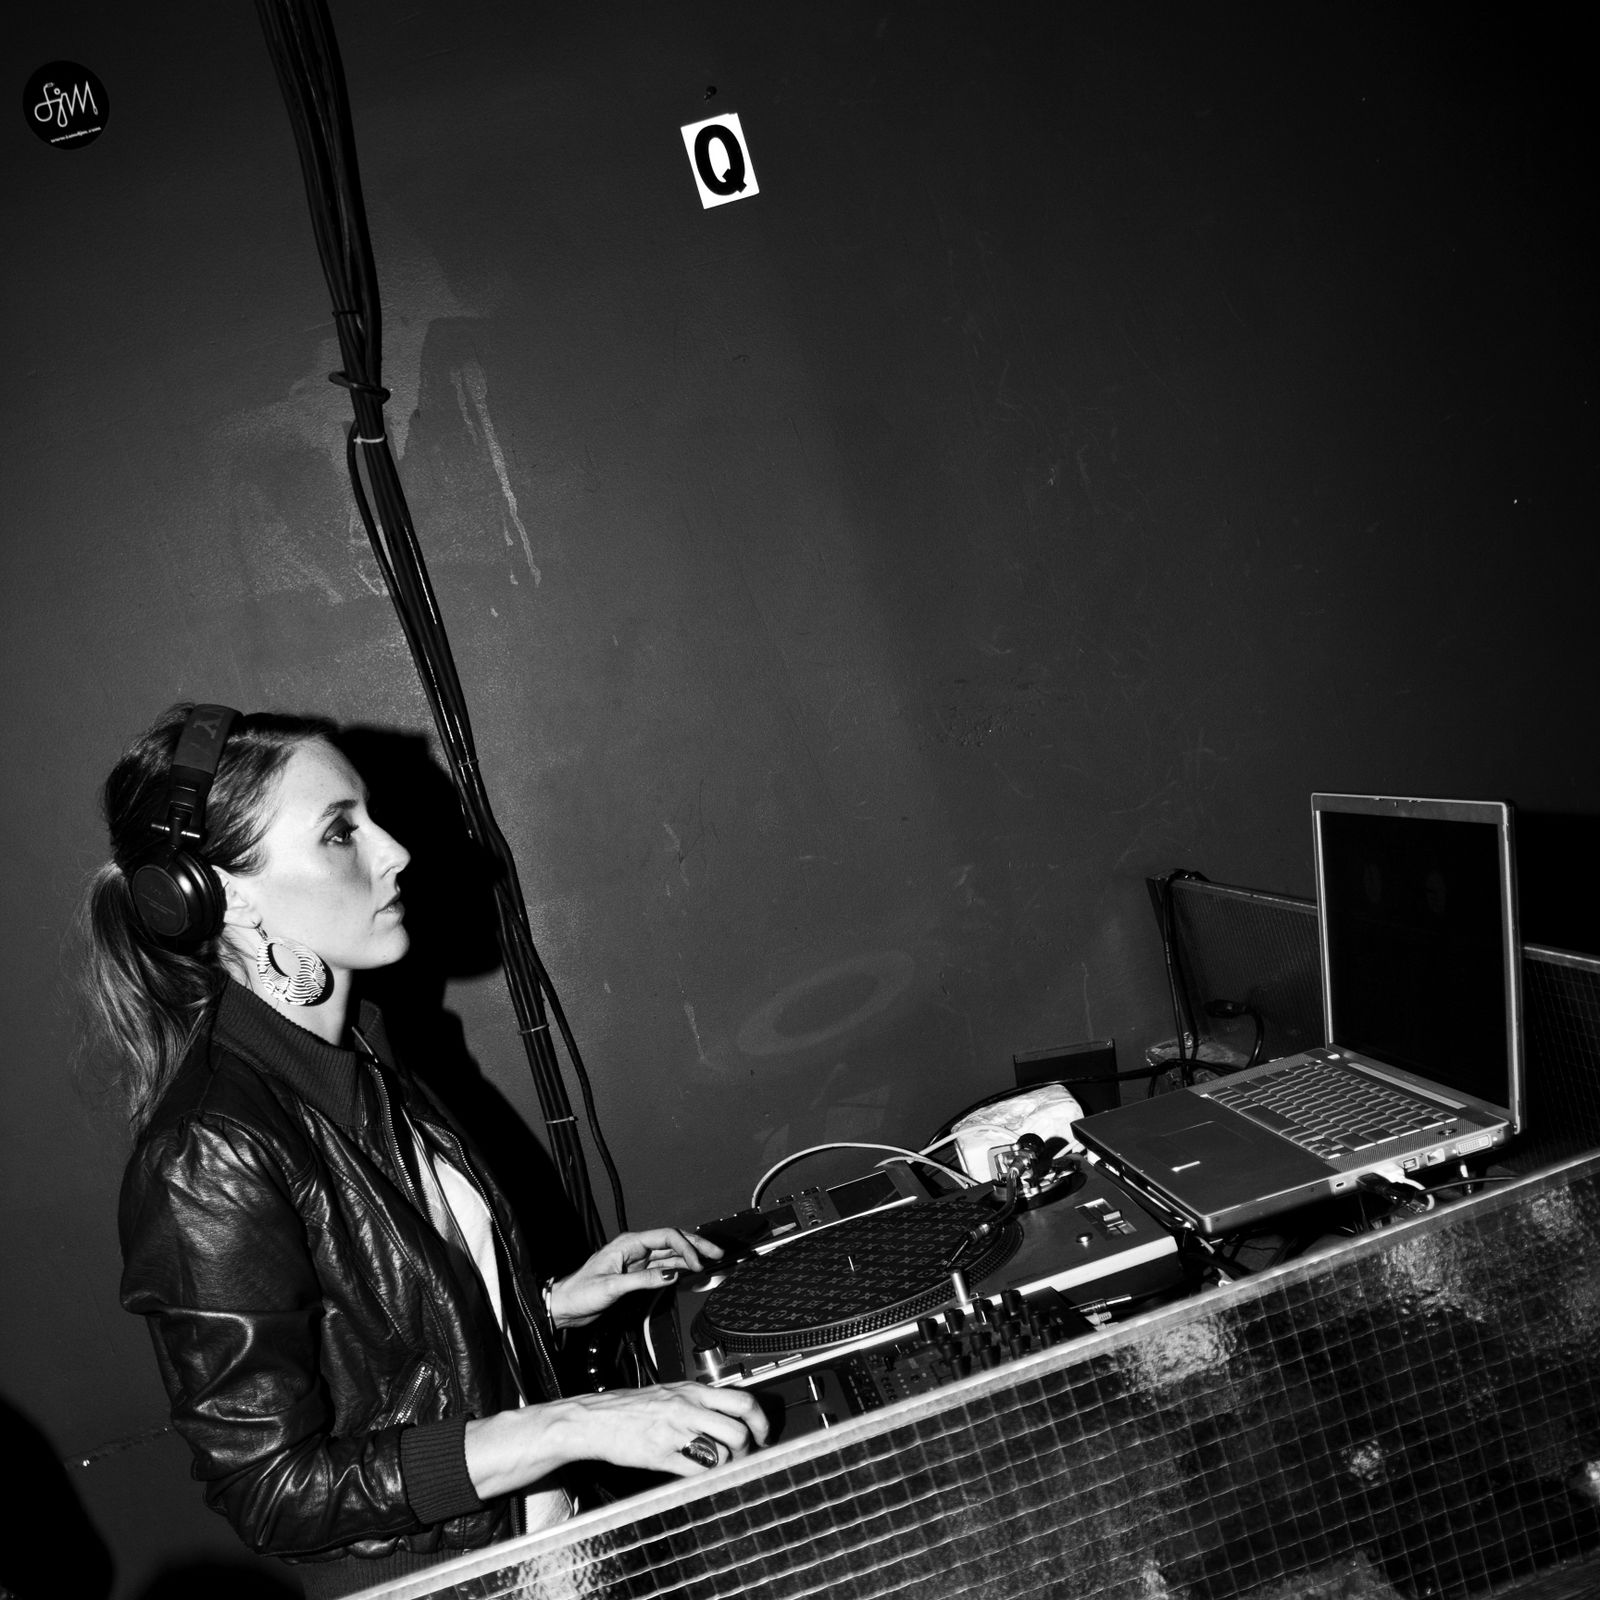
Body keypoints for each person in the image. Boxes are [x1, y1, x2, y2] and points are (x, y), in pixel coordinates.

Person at [85, 703, 766, 1597]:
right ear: (224, 894)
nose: (395, 850)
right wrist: (571, 1426)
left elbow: (392, 1346)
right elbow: (273, 1490)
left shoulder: (365, 1053)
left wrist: (545, 1306)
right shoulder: (206, 1153)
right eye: (340, 832)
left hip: (546, 1541)